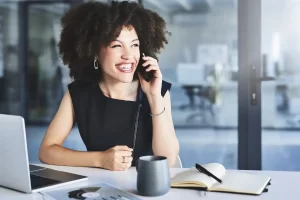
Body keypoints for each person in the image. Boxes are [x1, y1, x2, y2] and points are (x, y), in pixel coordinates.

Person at [39, 0, 179, 171]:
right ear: (94, 51)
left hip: (147, 187)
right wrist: (99, 159)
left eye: (134, 45)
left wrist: (154, 97)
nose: (128, 55)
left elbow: (169, 160)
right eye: (116, 45)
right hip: (99, 188)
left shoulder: (158, 90)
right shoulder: (79, 93)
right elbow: (47, 151)